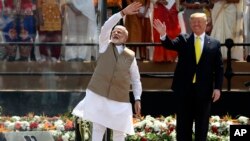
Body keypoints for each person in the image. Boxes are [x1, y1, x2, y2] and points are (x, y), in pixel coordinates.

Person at [72, 2, 142, 141]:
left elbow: (135, 80)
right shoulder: (104, 45)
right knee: (98, 129)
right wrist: (122, 13)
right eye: (114, 32)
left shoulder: (131, 56)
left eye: (119, 32)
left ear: (125, 38)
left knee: (119, 132)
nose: (115, 33)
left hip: (120, 98)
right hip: (99, 94)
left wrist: (137, 98)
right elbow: (106, 27)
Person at [153, 12, 224, 140]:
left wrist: (218, 88)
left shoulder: (214, 43)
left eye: (199, 22)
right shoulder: (183, 39)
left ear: (206, 23)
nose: (196, 24)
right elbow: (170, 44)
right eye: (194, 22)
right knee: (183, 126)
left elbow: (219, 68)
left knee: (202, 127)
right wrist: (163, 34)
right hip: (184, 91)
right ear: (190, 24)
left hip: (204, 91)